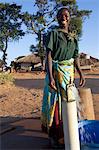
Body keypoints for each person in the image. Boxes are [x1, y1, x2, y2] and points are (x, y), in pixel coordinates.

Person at [41, 7, 85, 148]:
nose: (63, 17)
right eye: (60, 15)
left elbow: (76, 57)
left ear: (70, 17)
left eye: (66, 15)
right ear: (57, 18)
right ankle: (55, 136)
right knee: (55, 104)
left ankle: (68, 133)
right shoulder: (53, 34)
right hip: (55, 73)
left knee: (69, 102)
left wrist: (80, 73)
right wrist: (51, 77)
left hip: (68, 74)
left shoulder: (73, 37)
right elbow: (49, 55)